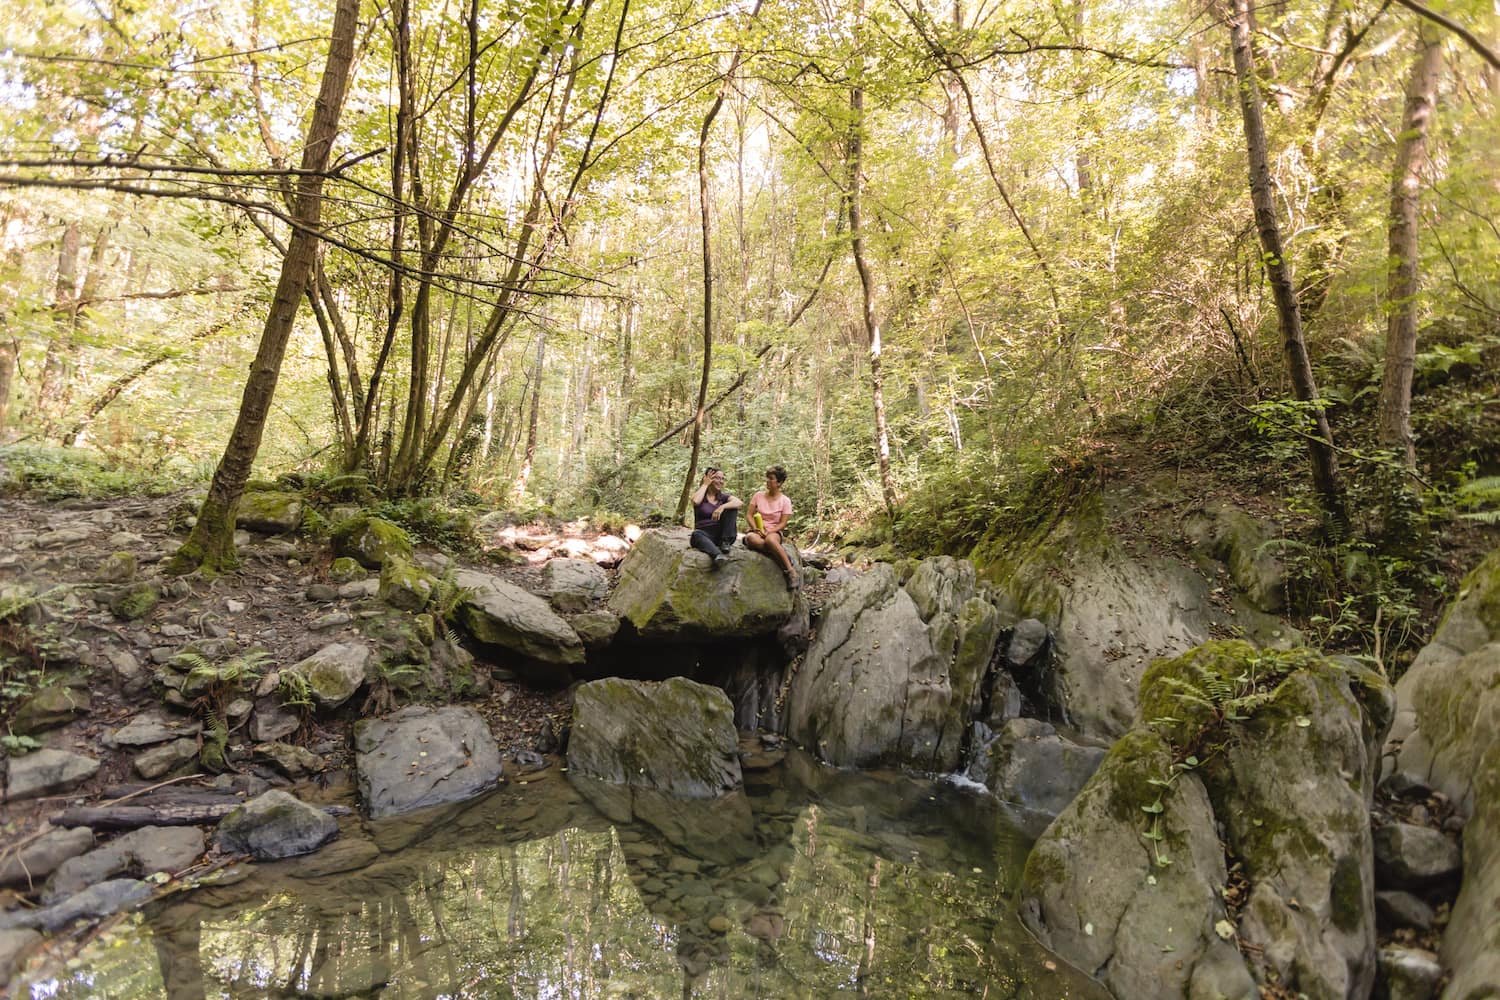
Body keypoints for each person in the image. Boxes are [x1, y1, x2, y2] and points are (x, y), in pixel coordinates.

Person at [745, 464, 799, 590]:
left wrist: (769, 531)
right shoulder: (758, 495)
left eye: (771, 478)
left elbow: (782, 523)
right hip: (757, 530)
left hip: (774, 531)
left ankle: (791, 572)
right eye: (767, 478)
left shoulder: (785, 500)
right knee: (751, 539)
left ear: (779, 482)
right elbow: (749, 515)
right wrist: (755, 528)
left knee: (770, 540)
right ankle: (779, 553)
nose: (767, 481)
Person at [689, 466, 742, 568]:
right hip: (705, 535)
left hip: (722, 536)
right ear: (708, 479)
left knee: (732, 507)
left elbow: (739, 503)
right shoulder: (700, 496)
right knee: (696, 534)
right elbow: (695, 501)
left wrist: (722, 507)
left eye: (722, 479)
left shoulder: (723, 497)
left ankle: (725, 542)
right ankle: (717, 555)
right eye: (717, 478)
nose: (721, 481)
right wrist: (705, 484)